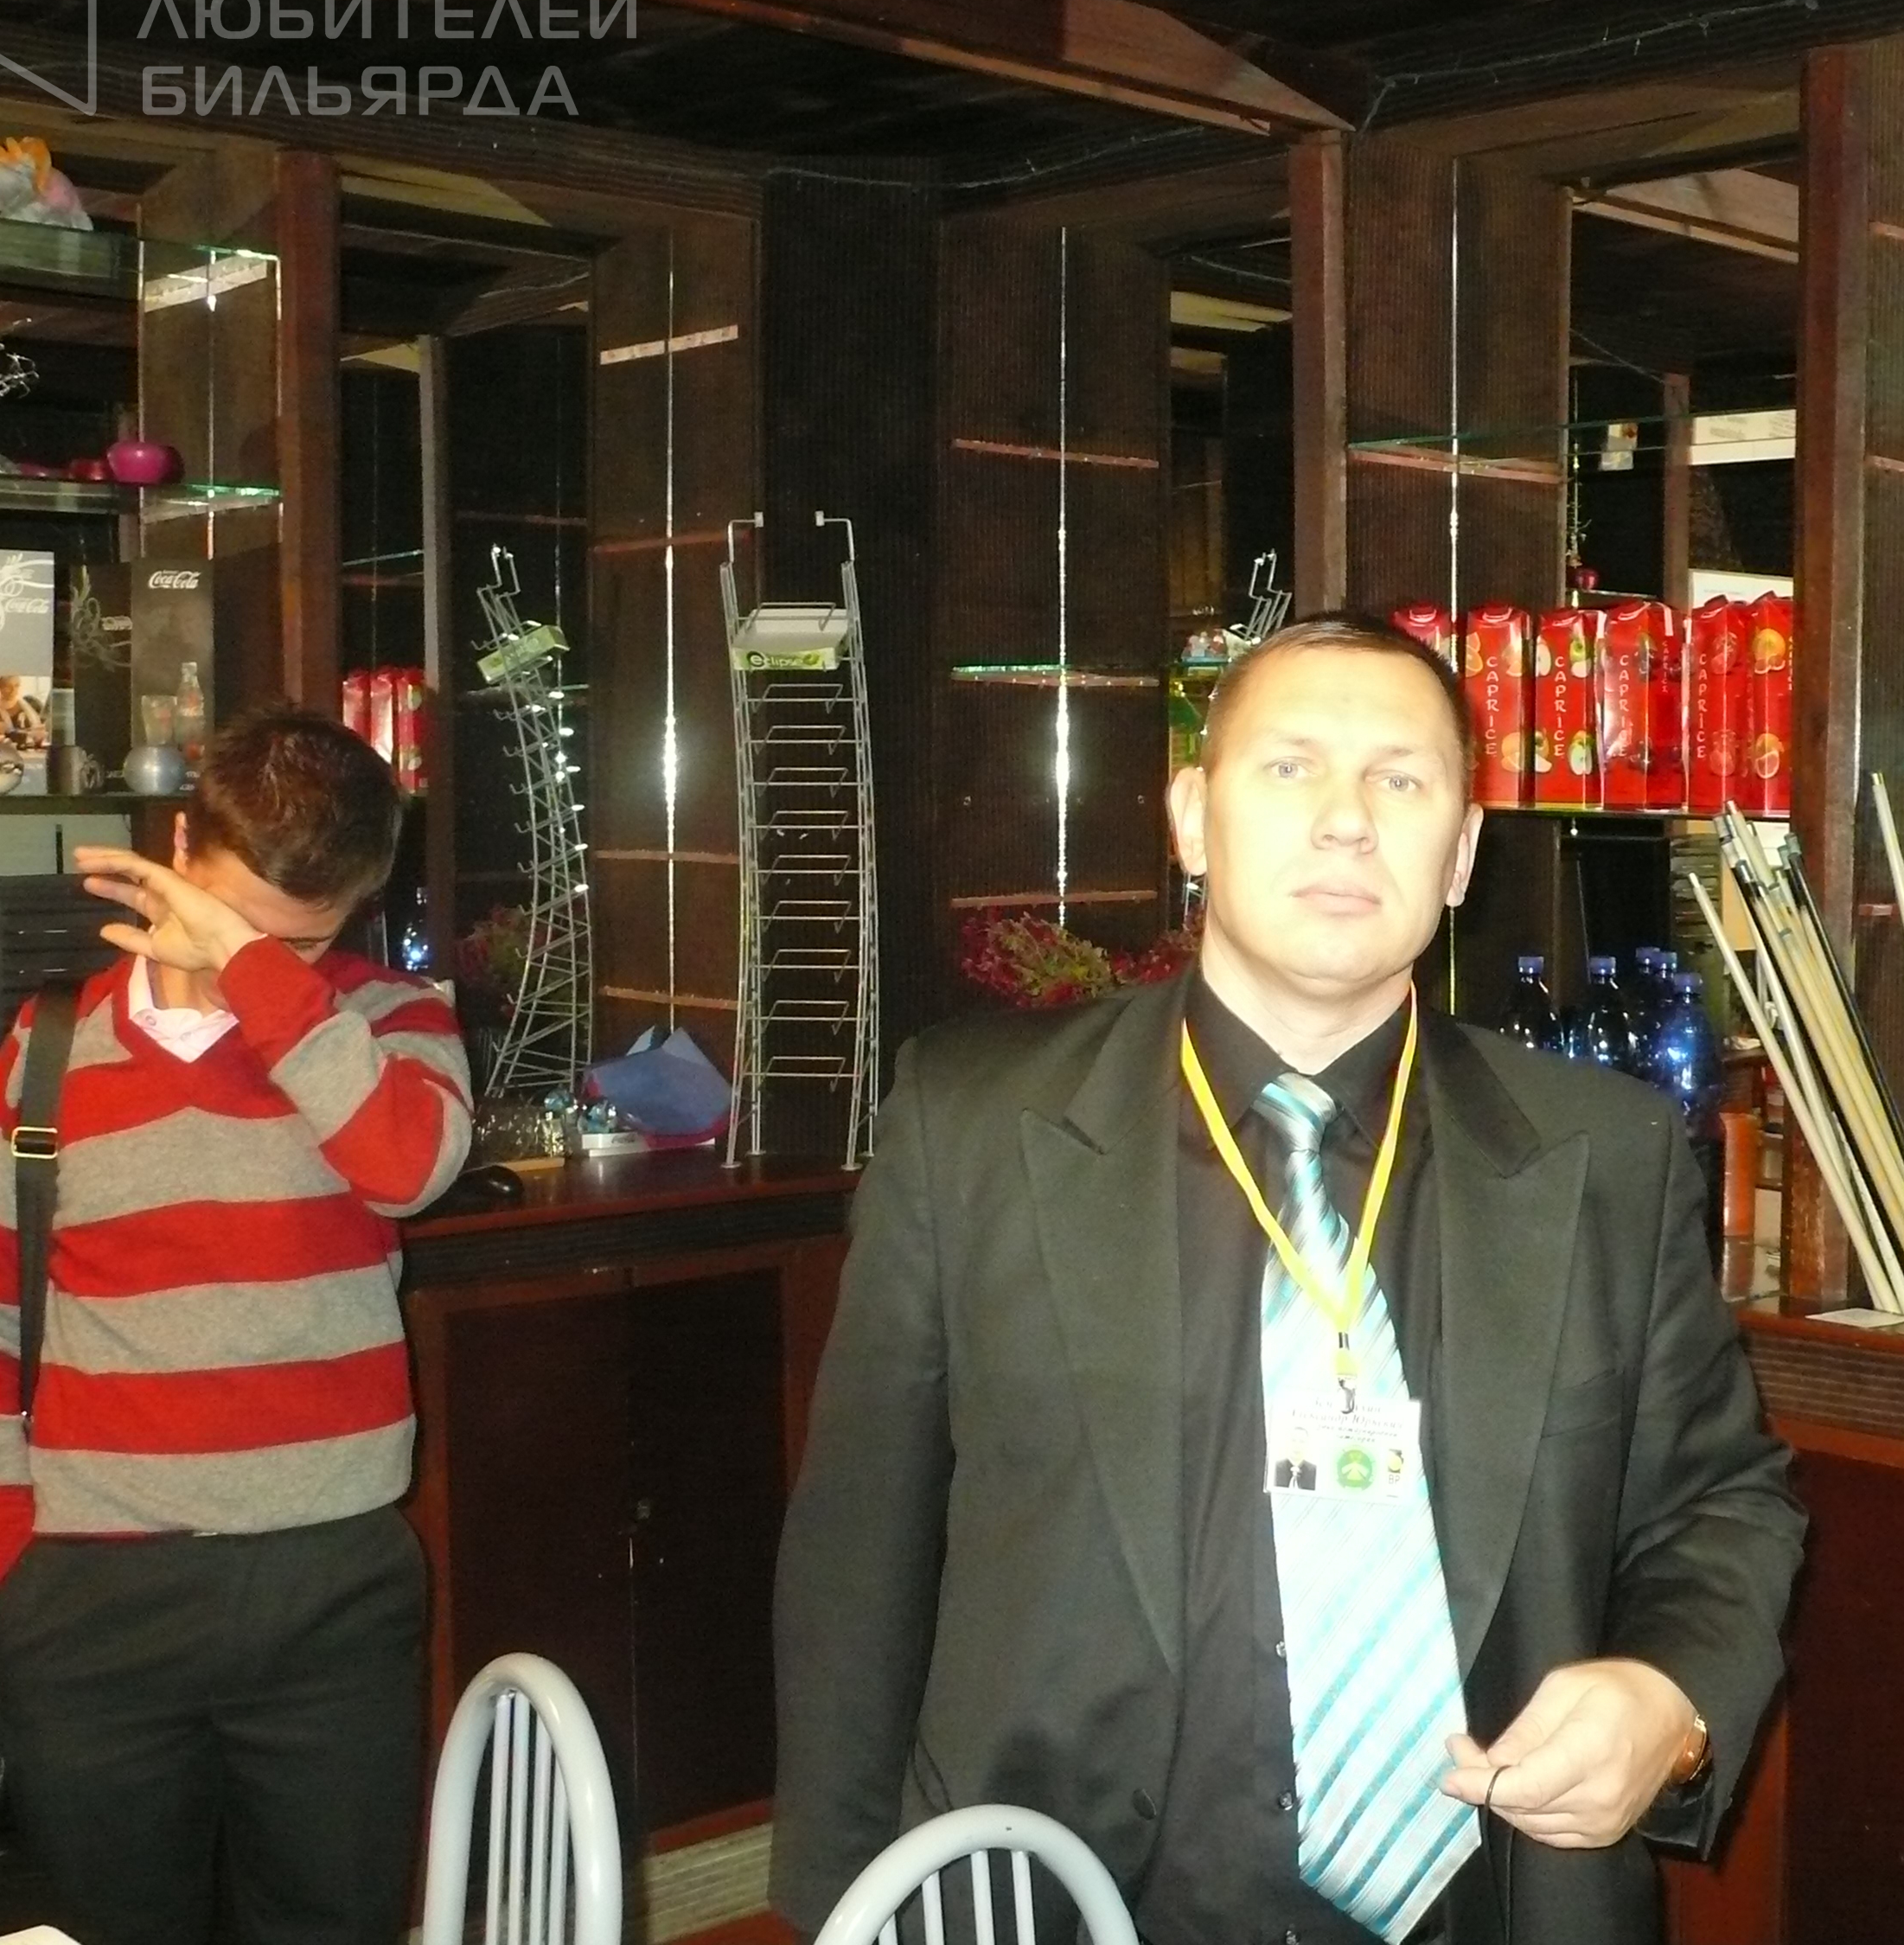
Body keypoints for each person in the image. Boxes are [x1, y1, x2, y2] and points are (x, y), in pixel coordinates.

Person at [772, 615, 1804, 1944]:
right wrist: (843, 1910)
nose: (1346, 821)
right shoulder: (973, 1126)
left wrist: (1671, 1702)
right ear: (1191, 818)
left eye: (1400, 779)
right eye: (1290, 767)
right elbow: (857, 1559)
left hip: (1490, 1901)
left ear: (1462, 853)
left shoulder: (1604, 1156)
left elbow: (1720, 1501)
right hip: (1060, 1894)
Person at [0, 707, 474, 1945]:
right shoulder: (49, 1050)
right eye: (233, 916)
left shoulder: (390, 1025)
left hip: (331, 1589)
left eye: (304, 939)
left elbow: (404, 1167)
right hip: (92, 1591)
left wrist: (252, 964)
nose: (253, 959)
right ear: (180, 842)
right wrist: (5, 1560)